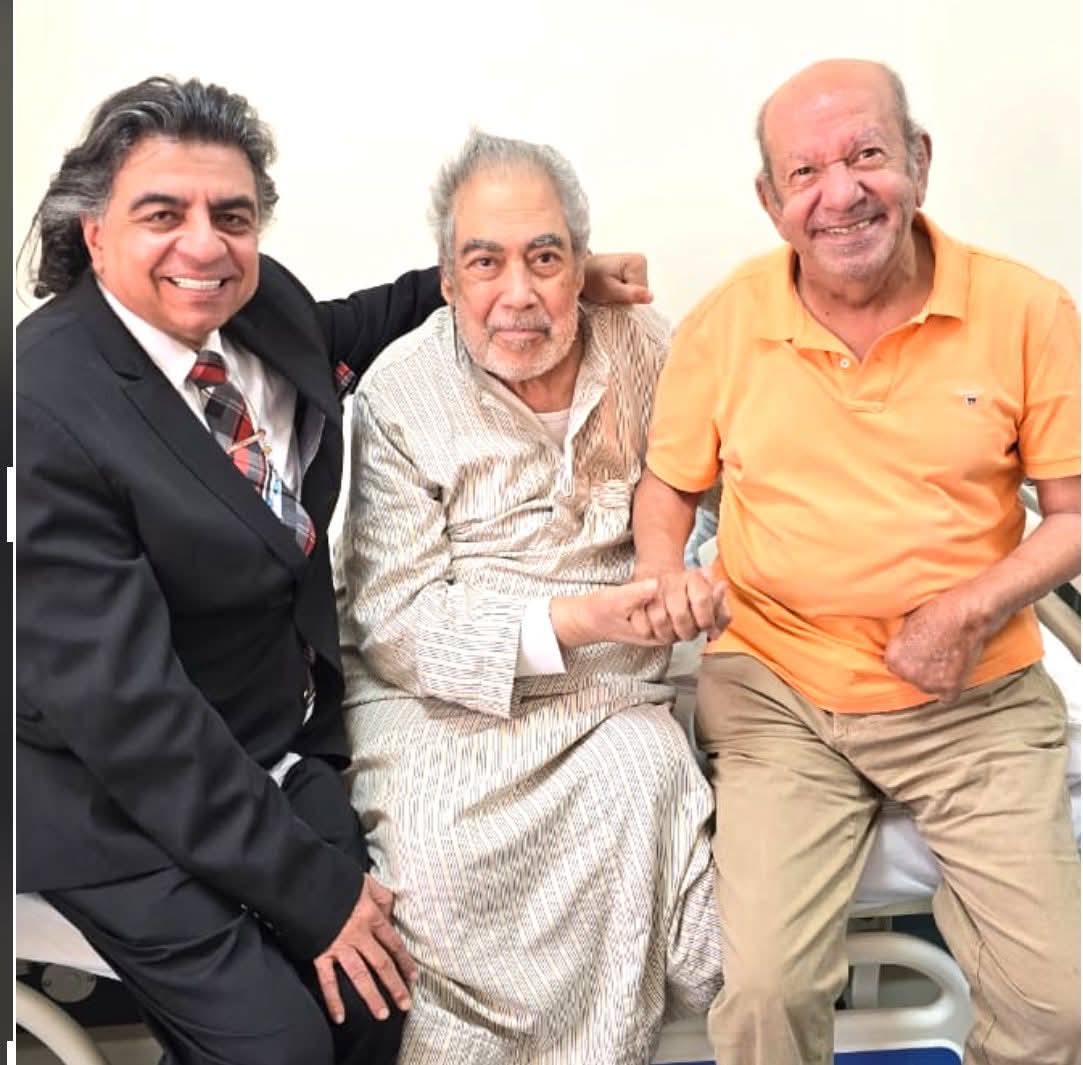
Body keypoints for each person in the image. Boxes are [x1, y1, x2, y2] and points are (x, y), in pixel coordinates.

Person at [15, 75, 651, 1065]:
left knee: (378, 1001)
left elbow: (349, 327)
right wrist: (316, 895)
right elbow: (132, 718)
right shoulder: (42, 402)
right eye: (162, 214)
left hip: (266, 733)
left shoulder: (255, 306)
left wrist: (518, 283)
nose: (203, 245)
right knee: (281, 1043)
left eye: (231, 216)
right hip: (107, 787)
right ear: (95, 233)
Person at [633, 58, 1081, 1065]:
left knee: (1061, 1010)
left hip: (973, 695)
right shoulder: (728, 321)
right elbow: (667, 488)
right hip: (780, 692)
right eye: (805, 172)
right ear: (771, 201)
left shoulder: (1025, 310)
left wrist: (968, 609)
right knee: (762, 995)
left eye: (866, 154)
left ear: (918, 160)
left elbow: (1071, 513)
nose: (840, 193)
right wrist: (665, 572)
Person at [334, 129, 728, 1064]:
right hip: (440, 699)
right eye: (485, 262)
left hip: (612, 691)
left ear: (579, 265)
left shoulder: (647, 351)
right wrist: (573, 618)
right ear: (446, 279)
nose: (517, 293)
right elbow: (394, 618)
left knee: (643, 776)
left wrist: (696, 582)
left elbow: (732, 501)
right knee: (430, 866)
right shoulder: (399, 392)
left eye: (544, 258)